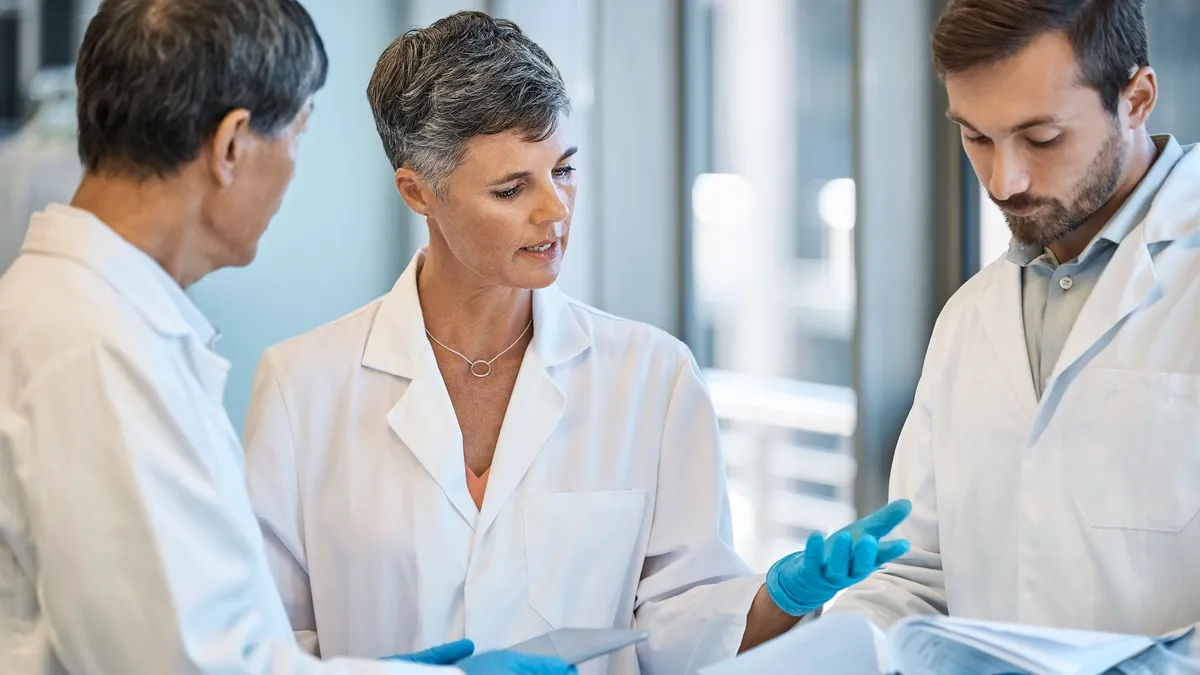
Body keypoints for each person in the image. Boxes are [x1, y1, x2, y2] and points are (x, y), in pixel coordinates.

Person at [242, 10, 912, 675]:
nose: (555, 210)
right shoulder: (303, 387)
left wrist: (781, 597)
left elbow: (684, 632)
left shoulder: (653, 375)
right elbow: (260, 644)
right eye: (511, 188)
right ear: (420, 192)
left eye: (563, 169)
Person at [0, 1, 575, 673]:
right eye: (297, 135)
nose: (294, 170)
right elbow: (186, 664)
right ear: (232, 145)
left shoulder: (79, 319)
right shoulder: (97, 348)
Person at [829, 0, 1200, 672]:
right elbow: (916, 578)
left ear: (1137, 97)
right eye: (976, 138)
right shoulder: (970, 318)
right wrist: (842, 646)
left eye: (1043, 138)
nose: (1005, 181)